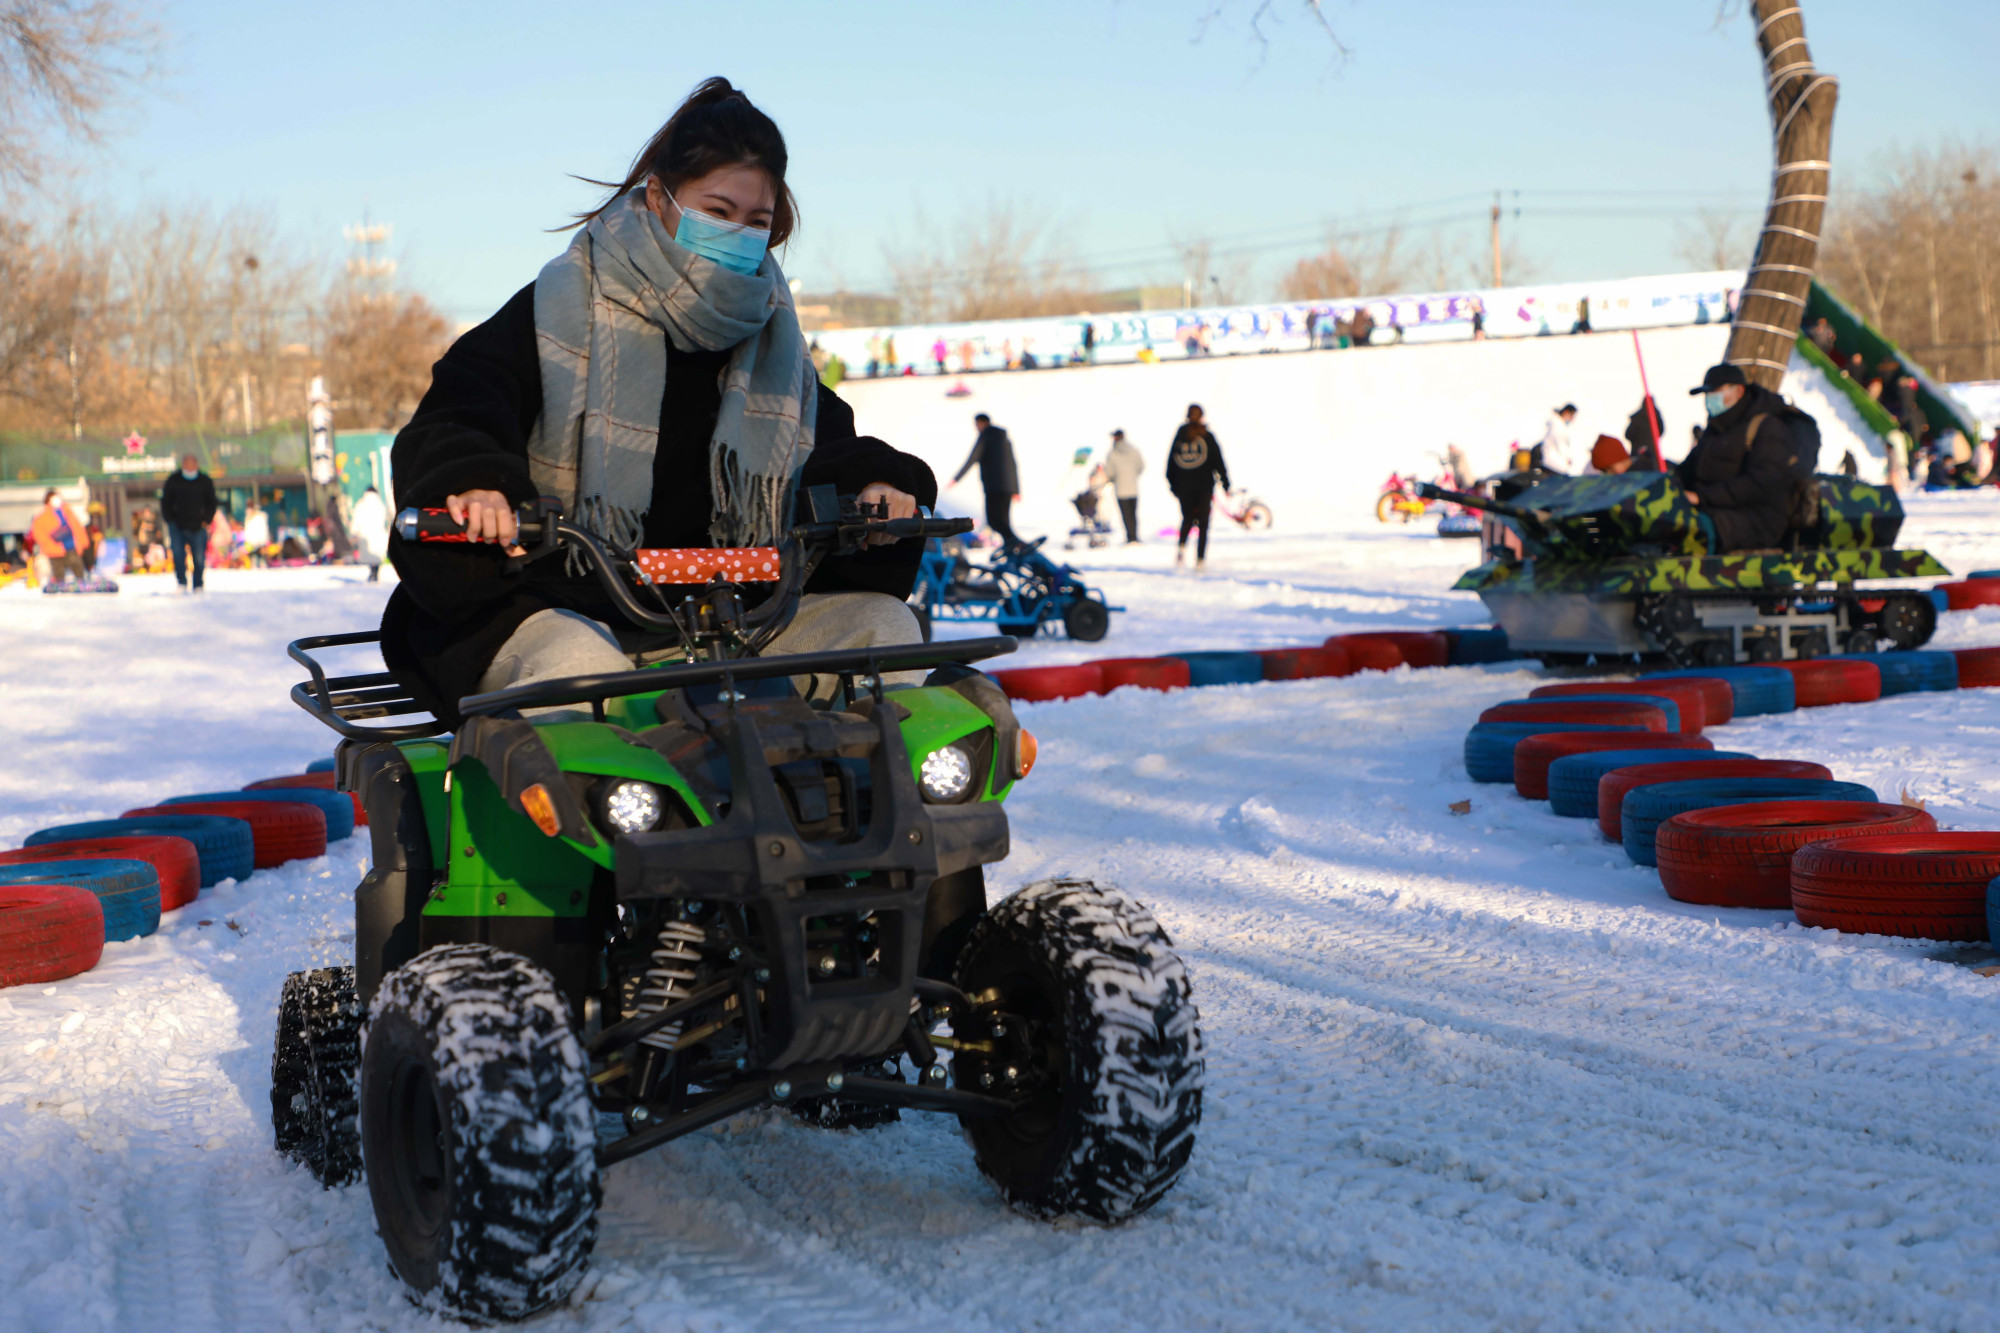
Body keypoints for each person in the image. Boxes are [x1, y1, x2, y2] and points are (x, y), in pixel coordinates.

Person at [381, 78, 935, 723]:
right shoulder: (557, 311)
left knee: (883, 626)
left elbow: (828, 443)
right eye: (718, 212)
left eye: (757, 223)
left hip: (734, 620)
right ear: (658, 197)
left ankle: (875, 815)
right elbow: (465, 408)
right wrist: (477, 487)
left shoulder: (773, 343)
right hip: (559, 607)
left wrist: (875, 486)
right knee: (582, 674)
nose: (739, 236)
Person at [1679, 364, 1795, 552]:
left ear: (1738, 391)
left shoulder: (1767, 427)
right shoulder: (1715, 428)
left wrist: (1702, 497)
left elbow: (1760, 483)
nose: (1709, 400)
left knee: (1694, 532)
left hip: (1756, 519)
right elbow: (1688, 469)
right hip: (1714, 510)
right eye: (1706, 394)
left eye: (1714, 393)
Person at [1167, 403, 1230, 571]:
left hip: (1184, 487)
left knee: (1187, 519)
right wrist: (1225, 483)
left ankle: (1181, 550)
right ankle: (1200, 559)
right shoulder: (1207, 436)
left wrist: (1173, 485)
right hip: (1204, 487)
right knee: (1203, 523)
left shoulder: (1180, 435)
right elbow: (1218, 461)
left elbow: (1171, 463)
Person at [949, 413, 1021, 547]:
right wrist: (1016, 489)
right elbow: (1014, 464)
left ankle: (1016, 543)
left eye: (976, 424)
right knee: (1004, 522)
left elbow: (972, 458)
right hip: (1008, 488)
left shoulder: (985, 437)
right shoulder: (1005, 440)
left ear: (981, 423)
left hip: (993, 487)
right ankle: (1012, 546)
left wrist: (956, 479)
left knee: (994, 521)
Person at [159, 452, 218, 592]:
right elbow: (165, 501)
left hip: (198, 526)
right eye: (187, 463)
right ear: (183, 464)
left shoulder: (204, 481)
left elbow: (212, 502)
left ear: (196, 464)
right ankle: (182, 582)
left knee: (199, 558)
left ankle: (198, 584)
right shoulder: (173, 480)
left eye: (192, 463)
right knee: (178, 555)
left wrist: (207, 520)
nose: (190, 466)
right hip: (177, 526)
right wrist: (170, 520)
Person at [29, 490, 89, 584]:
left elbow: (77, 527)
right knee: (59, 573)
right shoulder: (42, 517)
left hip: (72, 547)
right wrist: (48, 543)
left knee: (78, 568)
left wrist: (83, 541)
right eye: (54, 498)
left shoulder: (68, 512)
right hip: (54, 550)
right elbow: (38, 533)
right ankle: (59, 588)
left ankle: (82, 584)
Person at [1105, 428, 1144, 543]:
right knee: (1133, 514)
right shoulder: (1134, 450)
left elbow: (1110, 472)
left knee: (1126, 515)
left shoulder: (1112, 454)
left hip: (1121, 490)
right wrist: (1132, 476)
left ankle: (1130, 537)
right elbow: (1141, 466)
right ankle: (1134, 536)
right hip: (1133, 488)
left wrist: (1114, 478)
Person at [349, 485, 391, 583]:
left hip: (365, 533)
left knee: (368, 554)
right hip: (378, 533)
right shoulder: (380, 504)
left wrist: (353, 532)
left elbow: (356, 519)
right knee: (376, 555)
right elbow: (385, 518)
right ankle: (375, 572)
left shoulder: (362, 504)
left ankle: (372, 571)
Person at [1624, 395, 1664, 472]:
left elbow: (1628, 434)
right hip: (1652, 454)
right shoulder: (1656, 417)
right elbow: (1661, 431)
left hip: (1637, 454)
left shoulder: (1637, 418)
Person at [1537, 404, 1579, 474]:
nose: (1572, 419)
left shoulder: (1559, 425)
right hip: (1553, 464)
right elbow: (1560, 443)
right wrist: (1567, 458)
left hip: (1553, 462)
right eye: (1571, 415)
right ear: (1566, 412)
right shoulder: (1557, 425)